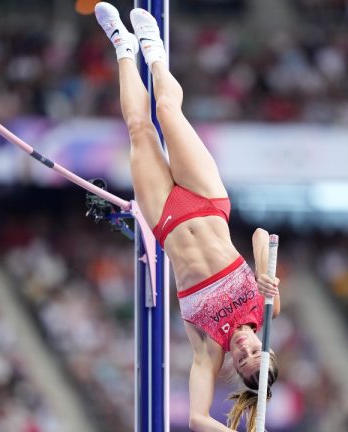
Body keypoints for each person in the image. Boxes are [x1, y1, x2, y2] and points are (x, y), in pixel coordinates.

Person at [94, 3, 281, 431]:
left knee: (139, 128)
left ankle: (122, 46)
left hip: (165, 220)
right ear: (266, 346)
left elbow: (197, 420)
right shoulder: (267, 307)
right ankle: (154, 51)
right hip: (207, 201)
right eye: (255, 351)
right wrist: (267, 273)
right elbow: (259, 233)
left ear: (233, 368)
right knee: (167, 113)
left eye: (243, 362)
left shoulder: (208, 351)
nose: (243, 350)